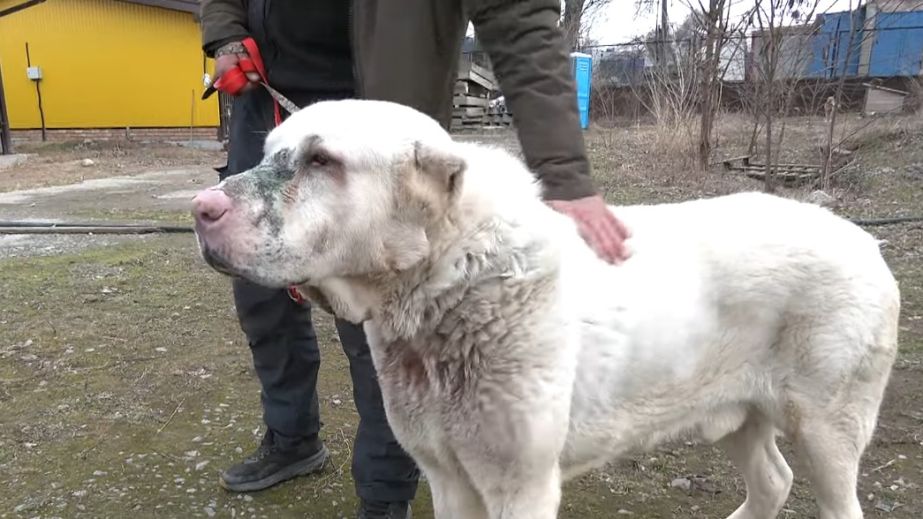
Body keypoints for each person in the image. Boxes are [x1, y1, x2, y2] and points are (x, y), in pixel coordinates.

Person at [199, 1, 629, 518]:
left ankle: (384, 496)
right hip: (266, 99)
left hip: (380, 126)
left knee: (387, 322)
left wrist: (563, 172)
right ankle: (292, 438)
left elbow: (521, 20)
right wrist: (225, 36)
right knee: (262, 298)